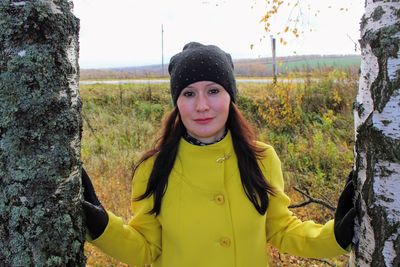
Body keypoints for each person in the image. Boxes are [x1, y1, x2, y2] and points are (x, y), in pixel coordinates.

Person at [82, 42, 356, 267]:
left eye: (213, 91)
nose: (202, 106)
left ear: (230, 97)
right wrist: (103, 228)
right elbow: (145, 249)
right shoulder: (154, 168)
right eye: (189, 93)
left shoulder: (262, 159)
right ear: (177, 102)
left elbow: (281, 229)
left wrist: (334, 236)